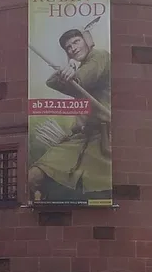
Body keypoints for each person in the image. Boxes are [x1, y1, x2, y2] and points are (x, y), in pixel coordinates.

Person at [28, 26, 112, 203]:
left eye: (76, 41)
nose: (73, 48)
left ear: (87, 41)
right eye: (68, 47)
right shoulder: (76, 72)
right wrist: (69, 67)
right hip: (80, 138)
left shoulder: (100, 56)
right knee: (35, 175)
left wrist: (75, 74)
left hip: (104, 136)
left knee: (96, 190)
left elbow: (89, 74)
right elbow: (52, 83)